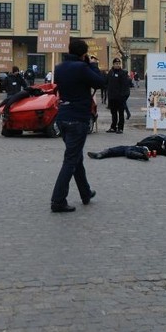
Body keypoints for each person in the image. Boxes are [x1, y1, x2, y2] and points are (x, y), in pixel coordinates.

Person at [50, 39, 106, 213]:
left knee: (76, 158)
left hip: (62, 117)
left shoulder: (59, 68)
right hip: (78, 118)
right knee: (71, 160)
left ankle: (85, 192)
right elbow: (100, 83)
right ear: (83, 54)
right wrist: (93, 66)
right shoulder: (82, 68)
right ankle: (58, 200)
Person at [105, 57, 131, 134]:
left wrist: (124, 96)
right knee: (113, 113)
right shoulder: (110, 72)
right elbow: (106, 82)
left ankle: (120, 128)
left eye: (119, 64)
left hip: (120, 98)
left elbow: (125, 86)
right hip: (112, 97)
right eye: (116, 64)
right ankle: (113, 127)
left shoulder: (123, 73)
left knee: (121, 113)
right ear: (113, 64)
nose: (118, 65)